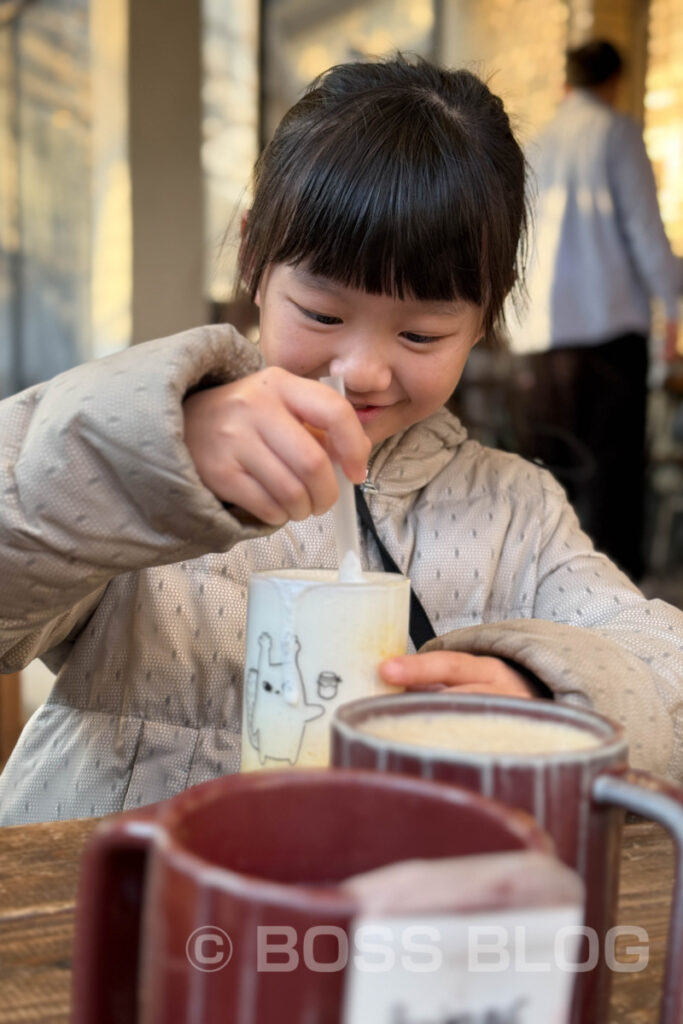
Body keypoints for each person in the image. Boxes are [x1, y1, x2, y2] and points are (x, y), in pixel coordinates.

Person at [0, 55, 681, 826]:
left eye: (421, 334)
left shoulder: (514, 512)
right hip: (115, 902)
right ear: (255, 258)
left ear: (484, 319)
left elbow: (664, 669)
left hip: (387, 912)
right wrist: (146, 458)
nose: (361, 371)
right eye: (322, 315)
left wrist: (544, 691)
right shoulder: (155, 454)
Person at [506, 40, 681, 581]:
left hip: (538, 341)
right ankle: (612, 613)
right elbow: (647, 238)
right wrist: (675, 309)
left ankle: (542, 596)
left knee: (549, 478)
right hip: (609, 337)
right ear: (614, 83)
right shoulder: (618, 132)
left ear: (566, 83)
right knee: (612, 486)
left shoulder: (535, 142)